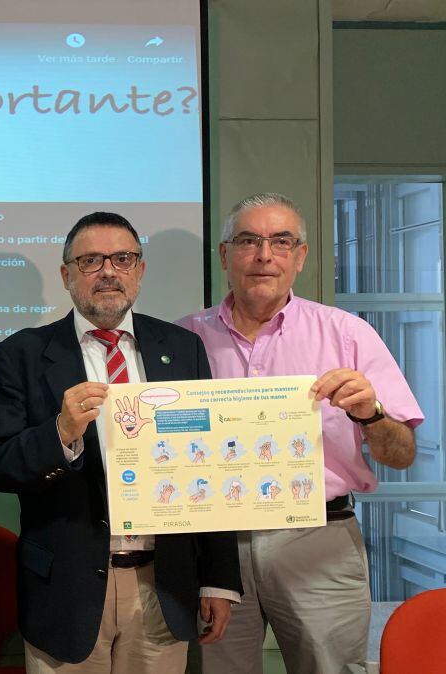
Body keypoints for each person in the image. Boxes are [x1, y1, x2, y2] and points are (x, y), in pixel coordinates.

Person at [177, 192, 423, 674]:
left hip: (319, 539)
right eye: (248, 240)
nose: (264, 255)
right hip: (216, 544)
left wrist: (371, 414)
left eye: (281, 241)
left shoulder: (347, 335)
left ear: (301, 256)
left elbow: (402, 454)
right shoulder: (183, 338)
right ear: (225, 255)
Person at [0, 212, 242, 673]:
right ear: (67, 275)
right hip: (66, 591)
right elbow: (0, 466)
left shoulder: (182, 348)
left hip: (163, 585)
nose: (108, 271)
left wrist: (218, 580)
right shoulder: (21, 354)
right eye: (90, 261)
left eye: (122, 258)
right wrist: (60, 433)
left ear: (139, 270)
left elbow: (209, 466)